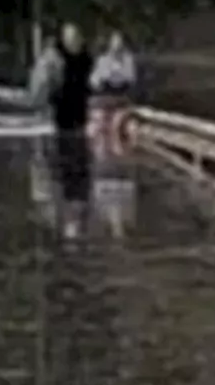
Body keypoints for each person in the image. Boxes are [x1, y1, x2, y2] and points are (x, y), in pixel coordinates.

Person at [27, 23, 95, 236]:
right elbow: (40, 88)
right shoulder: (53, 58)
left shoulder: (87, 59)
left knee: (79, 163)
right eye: (71, 37)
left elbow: (92, 82)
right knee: (62, 159)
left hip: (79, 118)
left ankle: (75, 181)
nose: (75, 41)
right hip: (57, 118)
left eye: (77, 37)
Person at [90, 30, 137, 97]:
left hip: (123, 94)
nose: (117, 44)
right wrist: (98, 80)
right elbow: (94, 80)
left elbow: (131, 78)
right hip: (106, 94)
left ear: (123, 43)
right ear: (110, 43)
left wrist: (117, 72)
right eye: (115, 41)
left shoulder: (128, 59)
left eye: (119, 41)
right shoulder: (103, 59)